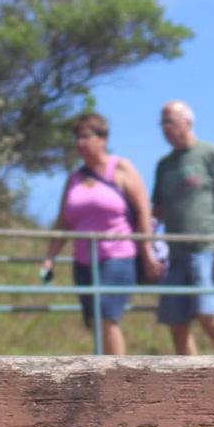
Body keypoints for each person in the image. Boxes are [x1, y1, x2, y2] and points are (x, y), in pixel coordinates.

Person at [37, 112, 154, 356]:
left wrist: (147, 251)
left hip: (118, 257)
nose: (80, 143)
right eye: (76, 138)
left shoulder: (121, 168)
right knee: (94, 321)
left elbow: (143, 210)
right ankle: (103, 376)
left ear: (103, 138)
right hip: (83, 262)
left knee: (106, 316)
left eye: (85, 137)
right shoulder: (74, 178)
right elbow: (63, 221)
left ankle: (119, 381)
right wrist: (49, 259)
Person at [151, 101, 214, 355]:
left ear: (187, 122)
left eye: (170, 121)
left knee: (206, 312)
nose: (165, 129)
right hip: (173, 253)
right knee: (176, 322)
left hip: (205, 248)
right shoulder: (164, 165)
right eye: (162, 123)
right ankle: (189, 378)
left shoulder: (212, 154)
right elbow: (157, 210)